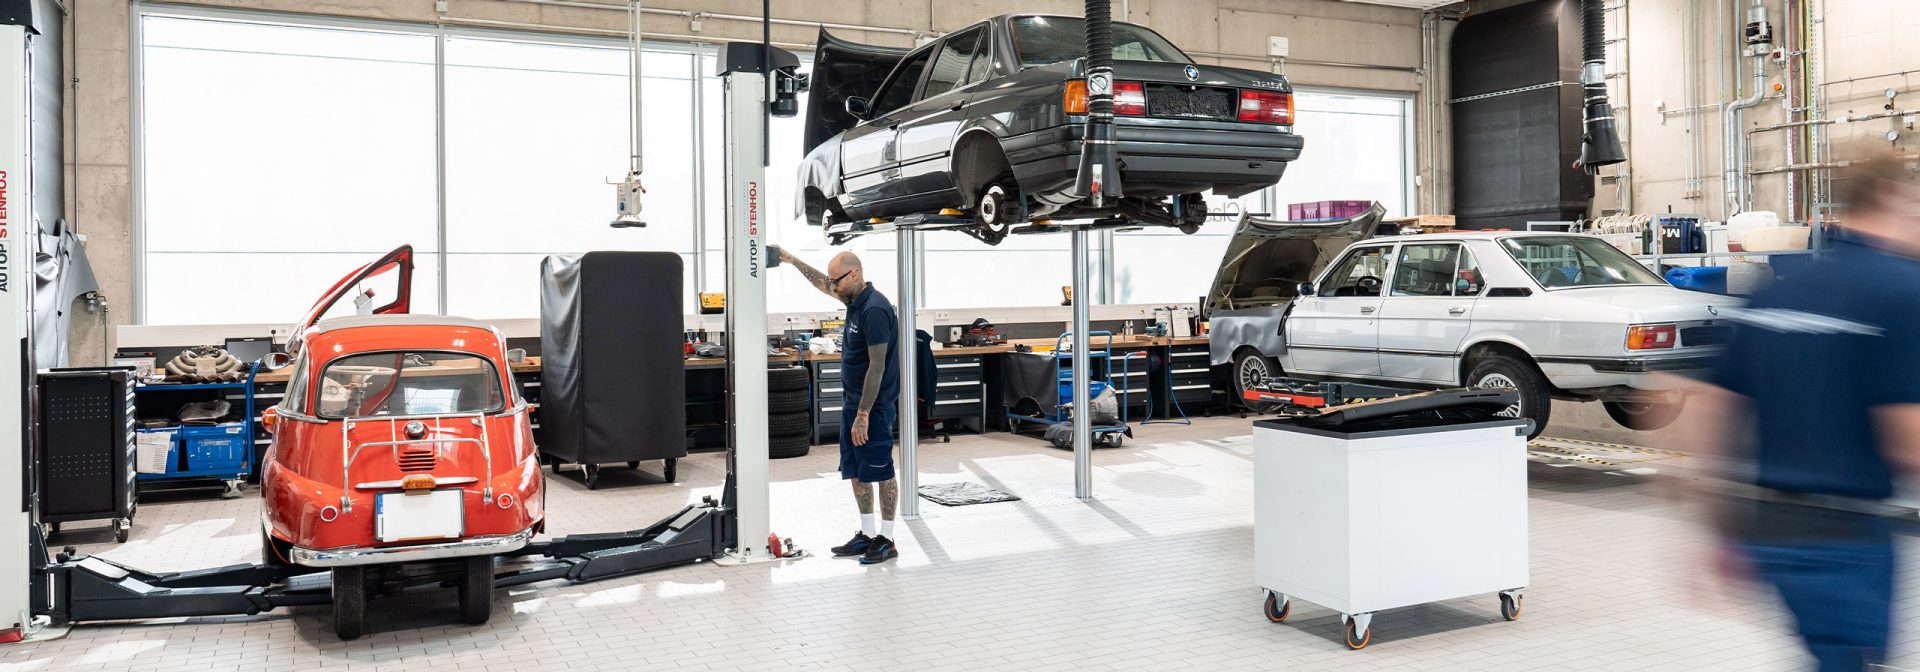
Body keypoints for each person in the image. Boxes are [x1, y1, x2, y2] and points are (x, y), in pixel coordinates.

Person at [1679, 150, 1920, 672]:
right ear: (1889, 198)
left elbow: (1712, 410)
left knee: (1827, 656)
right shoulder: (1902, 291)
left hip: (1771, 529)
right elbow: (1908, 442)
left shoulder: (1780, 293)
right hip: (1848, 536)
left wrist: (1716, 529)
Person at [777, 248, 902, 565]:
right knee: (857, 471)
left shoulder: (875, 310)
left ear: (855, 274)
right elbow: (822, 282)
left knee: (881, 470)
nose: (833, 287)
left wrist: (863, 415)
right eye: (833, 281)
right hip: (853, 404)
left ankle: (887, 539)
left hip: (873, 408)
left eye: (838, 281)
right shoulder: (853, 300)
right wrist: (792, 260)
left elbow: (877, 367)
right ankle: (867, 534)